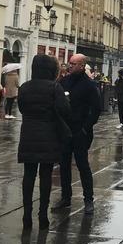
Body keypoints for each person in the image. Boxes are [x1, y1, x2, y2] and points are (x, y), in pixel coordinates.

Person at [17, 54, 71, 231]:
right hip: (49, 134)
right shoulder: (55, 87)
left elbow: (22, 107)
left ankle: (26, 215)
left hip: (28, 134)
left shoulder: (24, 87)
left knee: (29, 175)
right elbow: (64, 110)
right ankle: (42, 214)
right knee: (46, 175)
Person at [52, 54, 101, 215]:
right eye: (69, 63)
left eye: (73, 64)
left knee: (82, 166)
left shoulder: (90, 85)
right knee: (64, 165)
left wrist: (85, 128)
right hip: (65, 130)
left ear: (82, 66)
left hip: (81, 131)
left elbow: (96, 109)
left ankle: (88, 199)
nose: (70, 66)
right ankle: (66, 197)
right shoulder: (64, 82)